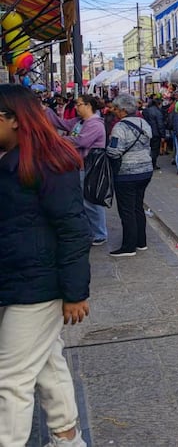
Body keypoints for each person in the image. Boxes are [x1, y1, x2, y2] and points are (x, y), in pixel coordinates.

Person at [0, 84, 91, 447]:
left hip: (39, 284)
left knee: (11, 377)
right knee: (47, 363)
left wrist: (74, 293)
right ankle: (68, 436)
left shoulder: (47, 163)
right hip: (23, 279)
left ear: (14, 121)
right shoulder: (13, 159)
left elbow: (73, 230)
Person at [45, 94, 109, 247]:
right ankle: (91, 231)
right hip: (79, 165)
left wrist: (57, 139)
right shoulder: (80, 121)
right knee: (83, 200)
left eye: (79, 104)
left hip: (90, 166)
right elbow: (62, 123)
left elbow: (81, 141)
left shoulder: (95, 124)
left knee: (91, 200)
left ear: (88, 106)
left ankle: (100, 233)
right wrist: (46, 111)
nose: (76, 107)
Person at [106, 94, 153, 256]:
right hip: (145, 170)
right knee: (138, 206)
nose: (115, 112)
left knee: (127, 210)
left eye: (116, 109)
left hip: (126, 173)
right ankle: (141, 241)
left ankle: (129, 246)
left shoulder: (119, 127)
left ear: (123, 110)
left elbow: (114, 151)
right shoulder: (144, 123)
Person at [141, 96, 166, 170]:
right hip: (155, 133)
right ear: (159, 104)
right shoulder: (157, 112)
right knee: (155, 150)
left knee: (148, 148)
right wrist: (163, 135)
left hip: (146, 132)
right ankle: (153, 164)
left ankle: (148, 163)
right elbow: (160, 124)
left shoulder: (146, 110)